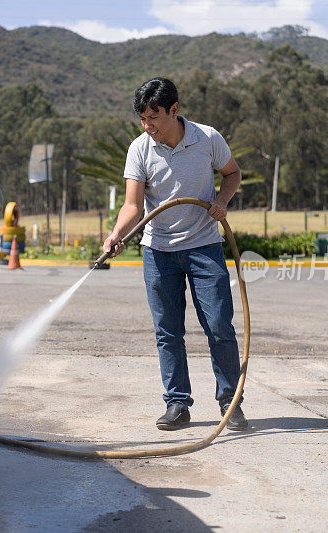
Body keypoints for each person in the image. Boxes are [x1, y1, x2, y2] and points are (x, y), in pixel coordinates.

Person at [102, 77, 247, 431]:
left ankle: (230, 402)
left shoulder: (207, 138)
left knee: (218, 325)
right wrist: (117, 234)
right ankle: (177, 404)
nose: (148, 126)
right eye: (142, 119)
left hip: (204, 248)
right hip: (158, 251)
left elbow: (232, 174)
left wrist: (222, 201)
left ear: (174, 110)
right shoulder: (140, 149)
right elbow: (133, 205)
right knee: (167, 331)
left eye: (154, 118)